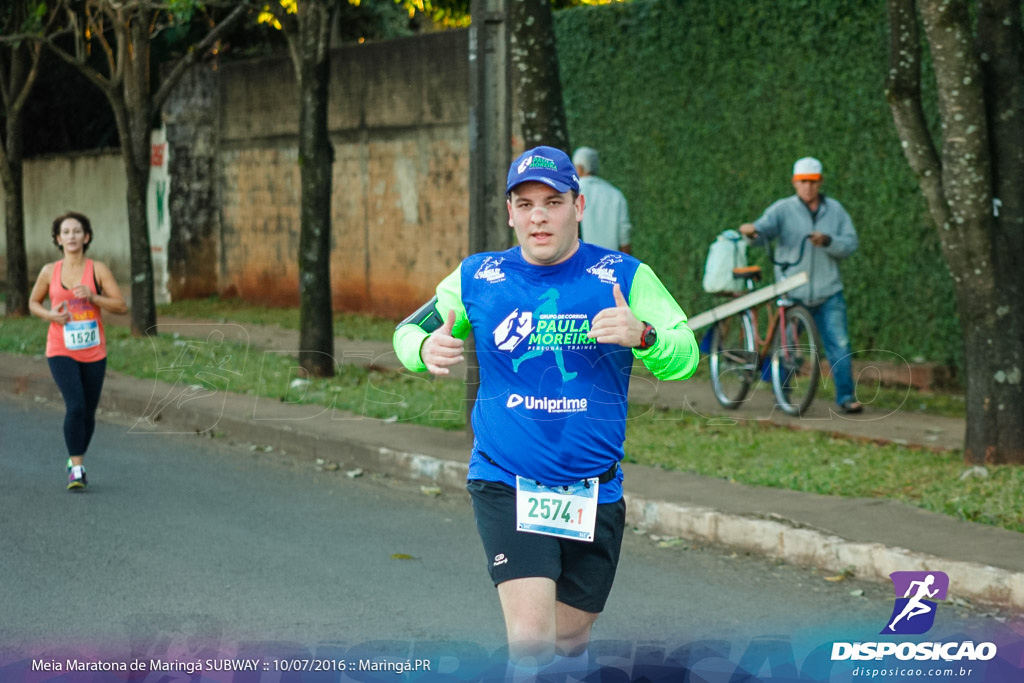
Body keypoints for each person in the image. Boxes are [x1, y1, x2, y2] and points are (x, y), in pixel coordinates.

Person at [393, 146, 699, 681]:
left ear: (578, 206)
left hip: (594, 490)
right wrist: (423, 351)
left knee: (571, 634)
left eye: (552, 202)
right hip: (506, 480)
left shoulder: (623, 276)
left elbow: (686, 353)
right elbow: (408, 330)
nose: (539, 215)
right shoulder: (477, 277)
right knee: (532, 643)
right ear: (510, 212)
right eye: (526, 203)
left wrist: (643, 337)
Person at [739, 156, 863, 414]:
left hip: (828, 291)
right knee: (787, 347)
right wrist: (751, 232)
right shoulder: (782, 209)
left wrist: (828, 241)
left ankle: (846, 397)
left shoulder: (836, 210)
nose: (808, 186)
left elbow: (850, 243)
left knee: (839, 345)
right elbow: (763, 230)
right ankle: (782, 393)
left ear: (820, 182)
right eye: (803, 181)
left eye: (813, 181)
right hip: (793, 291)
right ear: (795, 183)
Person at [29, 211, 128, 490]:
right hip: (61, 348)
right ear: (58, 239)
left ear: (86, 237)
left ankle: (75, 458)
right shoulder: (50, 271)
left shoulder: (98, 270)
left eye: (77, 231)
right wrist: (51, 316)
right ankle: (76, 468)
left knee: (88, 412)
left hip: (94, 350)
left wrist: (94, 296)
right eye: (66, 232)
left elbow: (121, 306)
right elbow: (33, 302)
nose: (71, 236)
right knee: (75, 406)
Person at [572, 146, 632, 253]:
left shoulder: (571, 193)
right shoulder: (616, 194)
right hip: (610, 263)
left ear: (580, 168)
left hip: (581, 261)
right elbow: (624, 237)